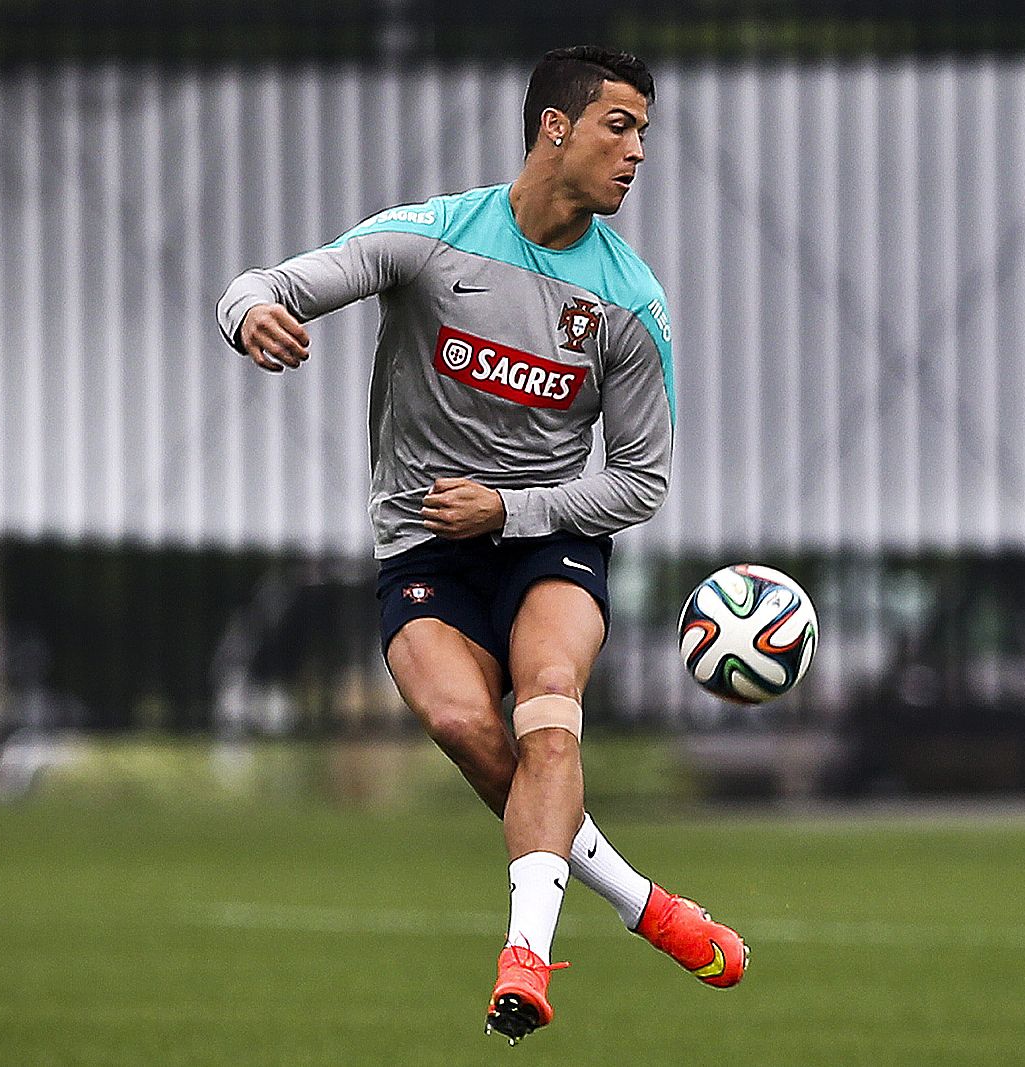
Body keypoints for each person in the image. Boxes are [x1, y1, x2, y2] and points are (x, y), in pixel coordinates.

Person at [216, 45, 746, 1044]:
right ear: (555, 127)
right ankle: (641, 901)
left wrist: (510, 509)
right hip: (421, 547)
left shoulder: (629, 302)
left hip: (548, 543)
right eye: (619, 126)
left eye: (645, 132)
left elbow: (641, 481)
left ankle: (526, 956)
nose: (637, 153)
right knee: (465, 724)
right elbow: (265, 280)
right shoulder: (433, 238)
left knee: (550, 700)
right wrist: (253, 315)